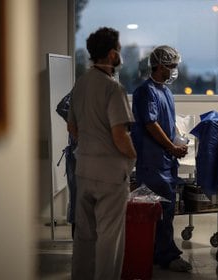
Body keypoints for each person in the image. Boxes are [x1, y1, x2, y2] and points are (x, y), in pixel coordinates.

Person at [68, 27, 137, 280]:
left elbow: (72, 126)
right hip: (110, 175)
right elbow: (120, 135)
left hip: (84, 170)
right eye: (118, 49)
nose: (120, 54)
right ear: (111, 54)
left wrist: (90, 146)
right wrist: (132, 158)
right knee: (110, 237)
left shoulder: (81, 83)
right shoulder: (113, 89)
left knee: (84, 236)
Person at [130, 45, 192, 272]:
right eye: (172, 66)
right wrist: (171, 147)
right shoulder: (145, 92)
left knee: (165, 209)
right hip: (152, 160)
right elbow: (150, 124)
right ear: (159, 65)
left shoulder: (165, 91)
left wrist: (178, 141)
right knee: (163, 210)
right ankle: (168, 256)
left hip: (165, 160)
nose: (175, 70)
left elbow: (168, 122)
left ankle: (157, 252)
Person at [56, 91, 77, 239]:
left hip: (94, 157)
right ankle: (76, 238)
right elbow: (61, 107)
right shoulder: (76, 103)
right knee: (77, 197)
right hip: (77, 157)